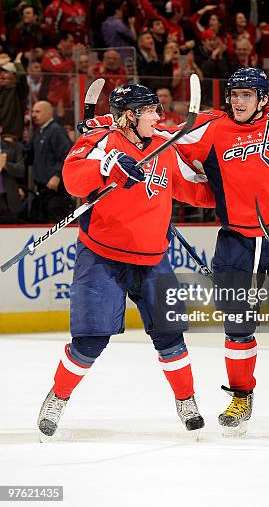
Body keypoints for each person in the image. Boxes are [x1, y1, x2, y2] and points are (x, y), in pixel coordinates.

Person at [78, 68, 269, 437]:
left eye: (246, 95)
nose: (238, 102)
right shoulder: (210, 126)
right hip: (236, 242)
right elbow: (162, 136)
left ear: (262, 97)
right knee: (237, 327)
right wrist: (102, 126)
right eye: (233, 94)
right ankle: (240, 396)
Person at [37, 83, 215, 440]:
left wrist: (231, 198)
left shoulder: (164, 145)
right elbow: (73, 179)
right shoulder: (101, 141)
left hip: (152, 258)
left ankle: (186, 400)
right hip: (103, 257)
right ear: (131, 116)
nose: (157, 116)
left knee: (171, 336)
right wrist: (107, 167)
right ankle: (57, 397)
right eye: (150, 111)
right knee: (89, 341)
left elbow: (191, 188)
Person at [25, 101, 73, 223]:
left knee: (56, 223)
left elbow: (67, 155)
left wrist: (57, 175)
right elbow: (27, 155)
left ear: (49, 113)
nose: (33, 115)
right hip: (42, 190)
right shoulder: (39, 132)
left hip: (56, 191)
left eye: (37, 111)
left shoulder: (56, 131)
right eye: (32, 111)